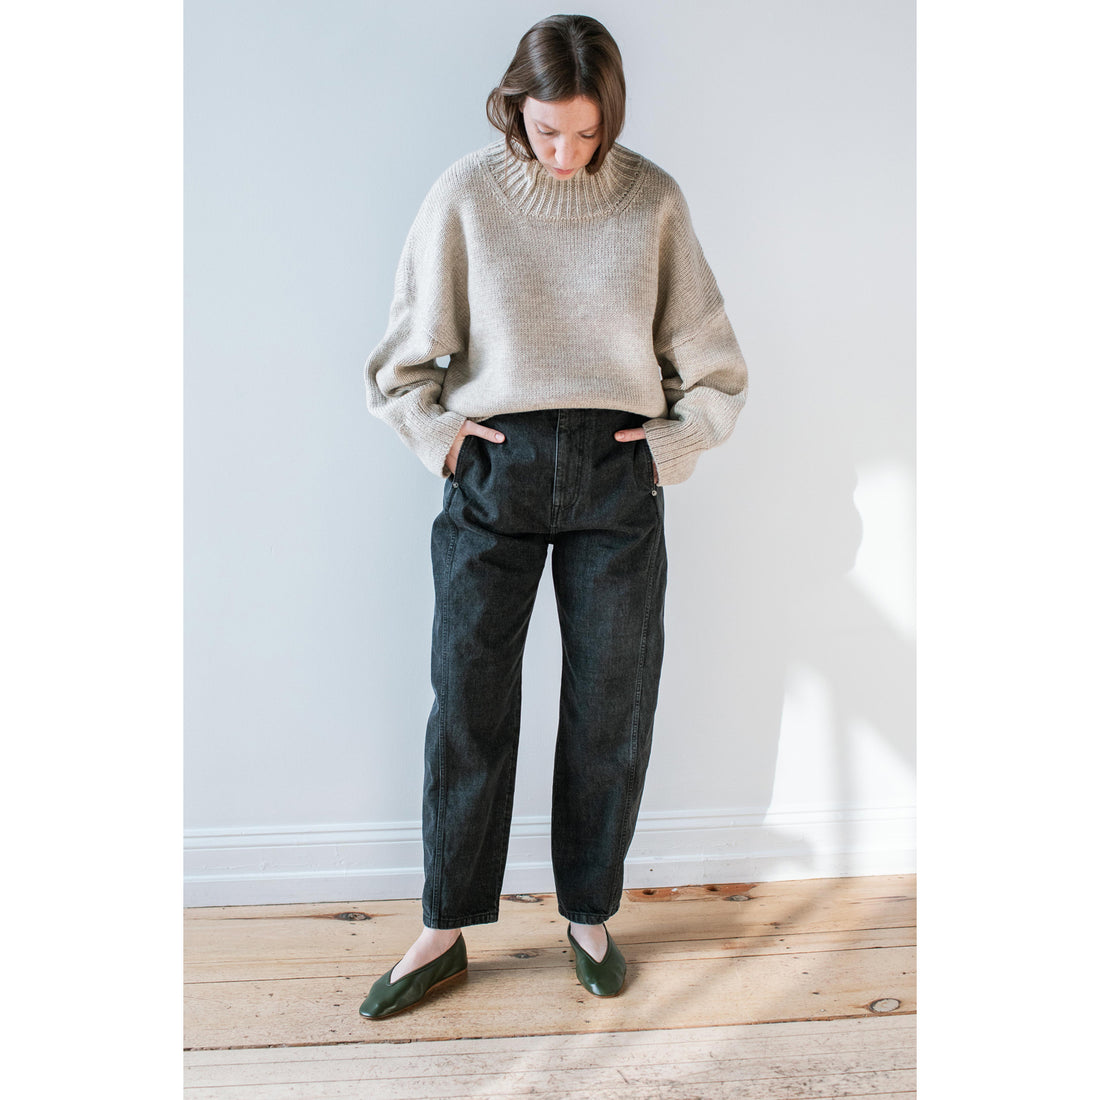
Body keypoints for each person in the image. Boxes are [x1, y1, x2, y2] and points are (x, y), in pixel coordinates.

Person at [359, 14, 748, 1019]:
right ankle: (443, 926)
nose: (566, 153)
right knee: (468, 699)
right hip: (496, 469)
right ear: (513, 109)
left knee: (610, 705)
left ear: (609, 114)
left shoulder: (652, 201)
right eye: (545, 131)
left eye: (586, 132)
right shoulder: (465, 196)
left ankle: (588, 914)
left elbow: (713, 367)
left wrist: (667, 447)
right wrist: (442, 437)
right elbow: (400, 363)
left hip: (617, 477)